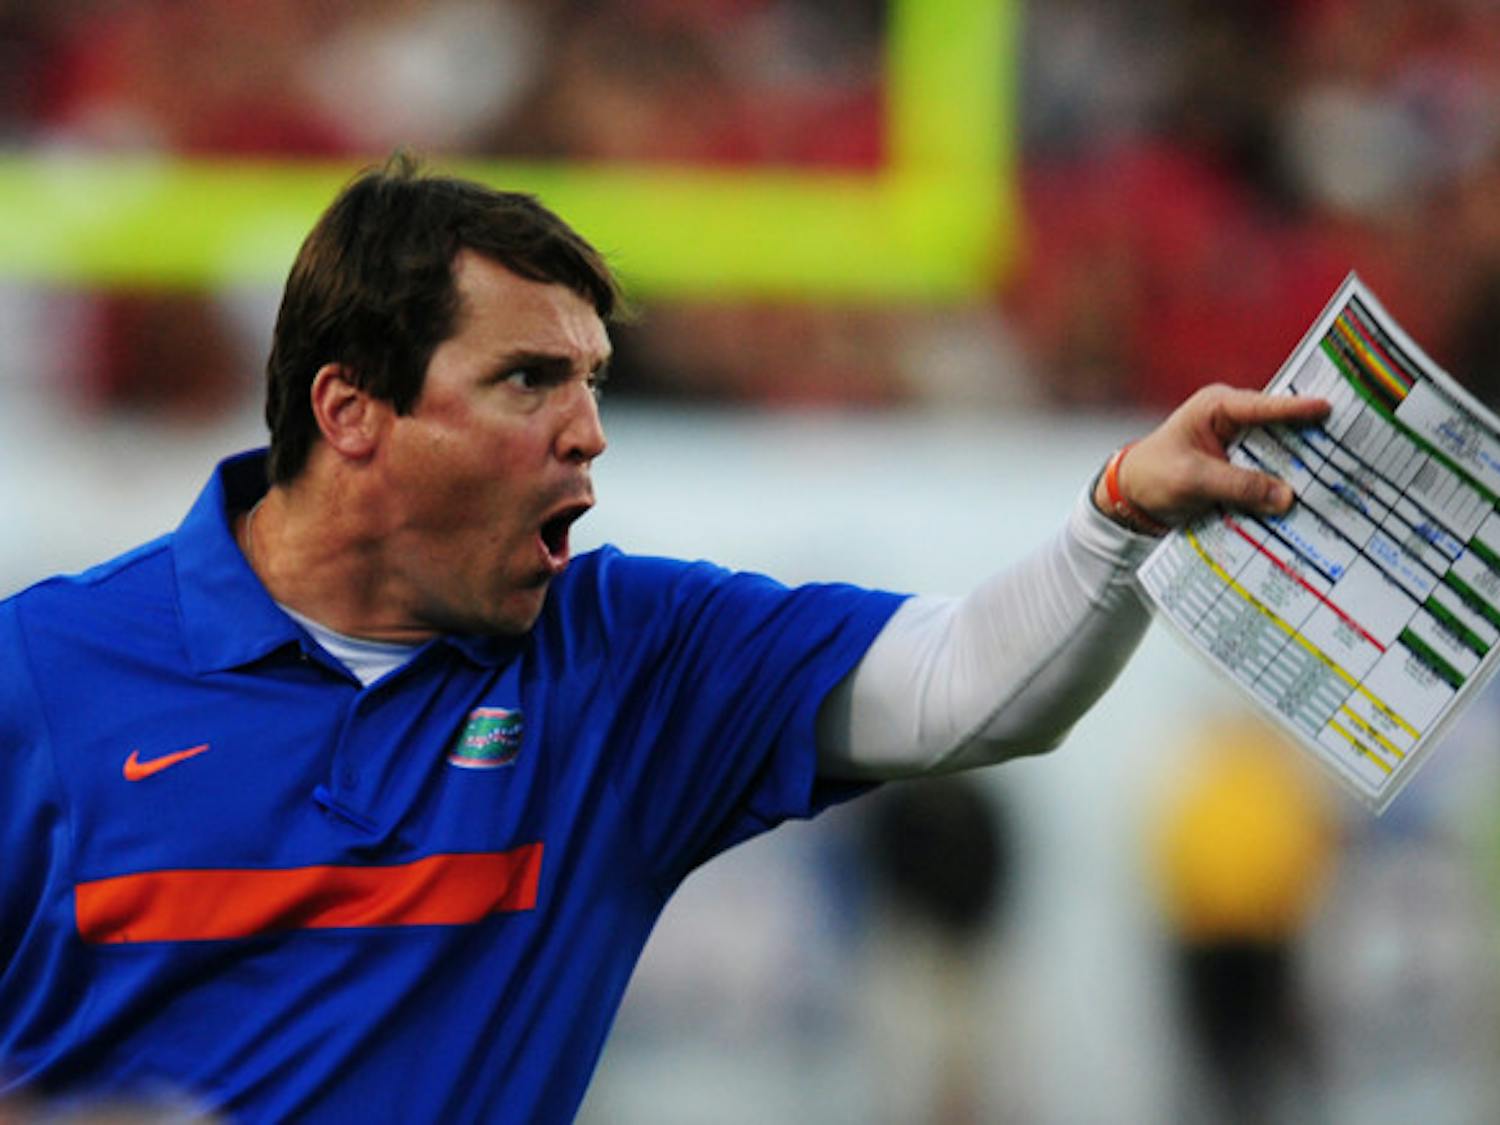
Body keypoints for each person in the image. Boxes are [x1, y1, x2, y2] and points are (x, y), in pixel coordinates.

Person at [0, 154, 1328, 1123]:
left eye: (592, 382)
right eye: (529, 379)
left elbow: (968, 687)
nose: (587, 430)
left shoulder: (621, 653)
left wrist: (1118, 519)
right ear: (352, 412)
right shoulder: (42, 679)